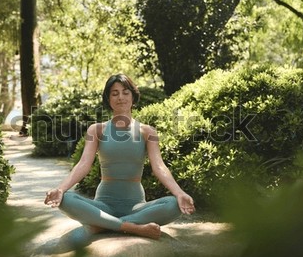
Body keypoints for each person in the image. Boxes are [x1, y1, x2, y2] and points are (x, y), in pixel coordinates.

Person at [44, 74, 195, 240]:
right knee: (66, 199)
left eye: (125, 92)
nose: (120, 97)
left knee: (173, 204)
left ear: (133, 96)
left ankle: (102, 225)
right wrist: (61, 189)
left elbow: (159, 166)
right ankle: (129, 227)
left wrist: (179, 193)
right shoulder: (97, 130)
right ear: (108, 99)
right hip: (103, 205)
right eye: (114, 93)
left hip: (136, 207)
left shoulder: (147, 132)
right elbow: (83, 164)